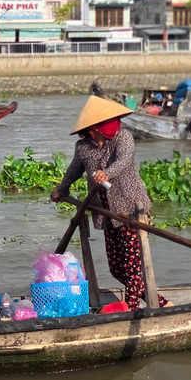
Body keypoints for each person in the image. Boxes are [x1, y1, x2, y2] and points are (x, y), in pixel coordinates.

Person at [50, 95, 171, 310]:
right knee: (117, 269)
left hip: (132, 209)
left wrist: (106, 173)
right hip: (107, 214)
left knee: (133, 268)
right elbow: (74, 170)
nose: (113, 128)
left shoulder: (123, 138)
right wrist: (62, 188)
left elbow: (124, 161)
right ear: (94, 128)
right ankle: (163, 303)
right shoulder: (83, 147)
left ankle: (130, 310)